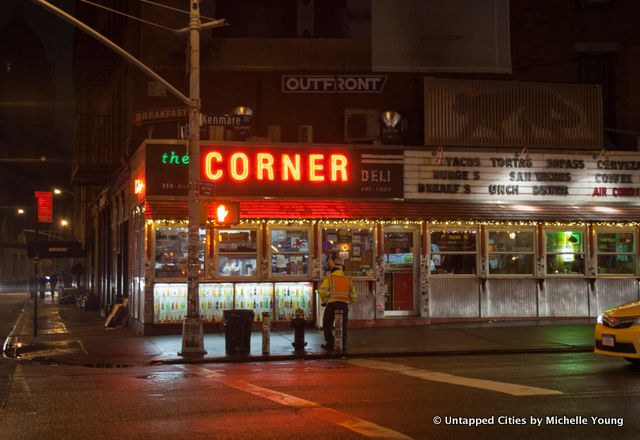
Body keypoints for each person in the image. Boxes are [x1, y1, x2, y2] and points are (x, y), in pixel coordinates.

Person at [318, 258, 356, 351]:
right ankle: (343, 344)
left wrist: (326, 300)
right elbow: (354, 296)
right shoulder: (347, 280)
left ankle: (330, 342)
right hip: (344, 305)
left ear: (332, 272)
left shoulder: (329, 278)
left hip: (332, 304)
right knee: (343, 325)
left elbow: (322, 291)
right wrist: (347, 301)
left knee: (327, 323)